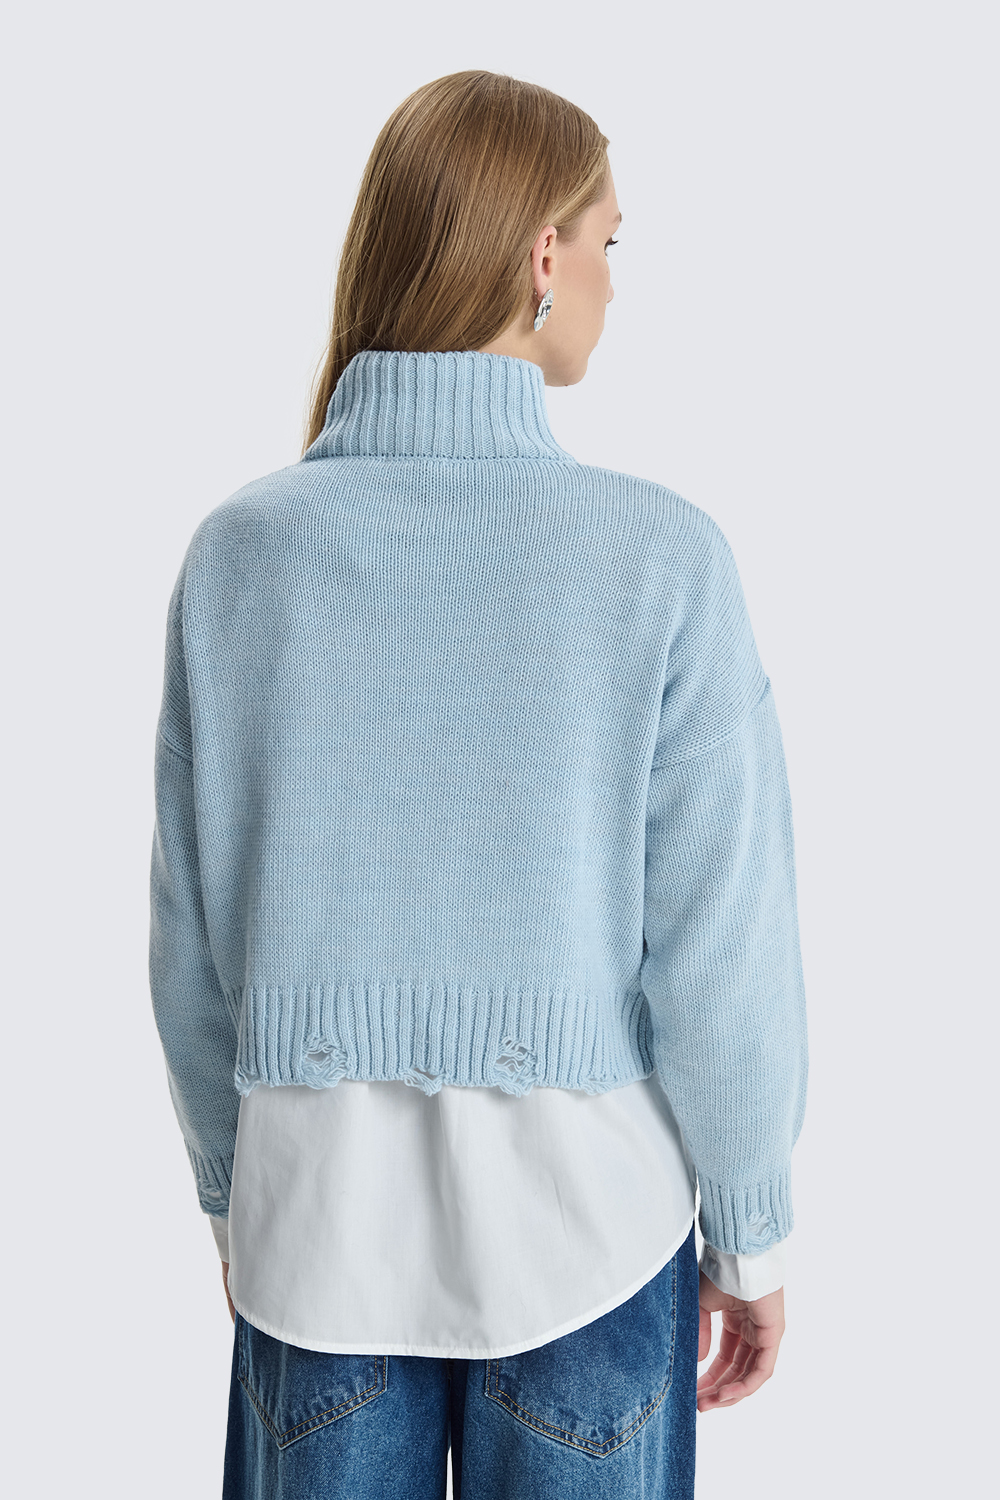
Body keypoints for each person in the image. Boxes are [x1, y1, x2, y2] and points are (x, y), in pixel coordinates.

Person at [149, 69, 808, 1499]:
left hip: (316, 1246)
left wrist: (231, 1196)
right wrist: (752, 1233)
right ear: (540, 256)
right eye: (611, 243)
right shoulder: (662, 559)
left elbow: (191, 947)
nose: (616, 284)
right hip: (595, 1238)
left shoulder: (242, 555)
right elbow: (723, 943)